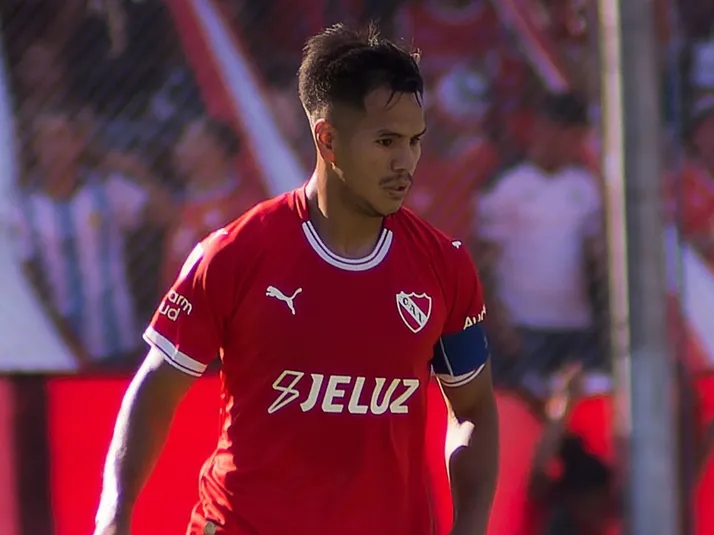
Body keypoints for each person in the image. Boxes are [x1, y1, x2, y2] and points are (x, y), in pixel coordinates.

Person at [93, 23, 499, 535]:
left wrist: (469, 528)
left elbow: (472, 406)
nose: (406, 161)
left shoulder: (444, 265)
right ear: (328, 139)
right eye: (386, 141)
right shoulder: (236, 253)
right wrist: (113, 517)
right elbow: (155, 387)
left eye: (415, 140)